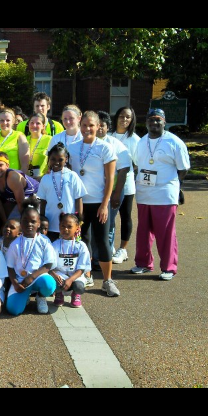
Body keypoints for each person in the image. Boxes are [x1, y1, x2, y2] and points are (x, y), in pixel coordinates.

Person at [131, 108, 190, 280]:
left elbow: (183, 169)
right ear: (146, 122)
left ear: (164, 122)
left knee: (165, 233)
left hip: (165, 194)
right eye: (151, 119)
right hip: (144, 193)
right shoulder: (141, 141)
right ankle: (143, 263)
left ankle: (168, 267)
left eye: (158, 120)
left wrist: (175, 186)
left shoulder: (174, 142)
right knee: (143, 232)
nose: (154, 123)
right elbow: (137, 164)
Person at [68, 111, 119, 297]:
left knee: (102, 240)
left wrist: (105, 204)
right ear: (79, 126)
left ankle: (107, 280)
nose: (87, 129)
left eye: (91, 125)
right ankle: (87, 275)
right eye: (84, 125)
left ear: (98, 126)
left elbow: (110, 178)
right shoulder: (72, 148)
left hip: (98, 202)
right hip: (79, 203)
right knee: (83, 240)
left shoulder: (105, 148)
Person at [5, 200, 58, 315]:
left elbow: (48, 264)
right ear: (21, 223)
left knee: (49, 284)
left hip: (38, 277)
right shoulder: (15, 244)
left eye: (33, 221)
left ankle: (41, 296)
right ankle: (25, 296)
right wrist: (15, 284)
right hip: (21, 281)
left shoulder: (44, 241)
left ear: (39, 223)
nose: (29, 224)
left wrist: (32, 277)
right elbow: (10, 267)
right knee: (13, 310)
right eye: (25, 221)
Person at [95, 111, 132, 268]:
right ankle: (95, 256)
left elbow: (124, 170)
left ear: (108, 127)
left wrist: (117, 193)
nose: (99, 128)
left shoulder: (115, 144)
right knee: (95, 224)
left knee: (108, 224)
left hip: (113, 191)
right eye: (97, 125)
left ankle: (106, 255)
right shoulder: (88, 142)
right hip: (95, 191)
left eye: (102, 125)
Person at [109, 106, 140, 264]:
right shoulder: (109, 135)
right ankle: (110, 246)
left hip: (126, 184)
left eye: (128, 117)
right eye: (122, 116)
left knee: (125, 215)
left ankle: (123, 249)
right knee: (110, 216)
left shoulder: (134, 139)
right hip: (109, 184)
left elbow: (138, 163)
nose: (124, 119)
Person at [38, 143, 86, 240]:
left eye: (60, 160)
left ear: (66, 159)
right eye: (53, 159)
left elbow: (78, 199)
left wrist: (79, 220)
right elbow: (43, 201)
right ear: (49, 159)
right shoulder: (45, 178)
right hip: (51, 224)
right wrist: (42, 218)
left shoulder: (72, 176)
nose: (56, 162)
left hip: (69, 225)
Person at [51, 213, 90, 308]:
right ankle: (59, 294)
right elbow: (49, 266)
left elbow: (81, 269)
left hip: (75, 276)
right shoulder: (54, 245)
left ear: (77, 228)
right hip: (60, 275)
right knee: (53, 282)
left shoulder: (81, 246)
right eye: (63, 226)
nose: (65, 229)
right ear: (59, 227)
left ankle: (76, 294)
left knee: (79, 286)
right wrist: (55, 275)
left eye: (69, 227)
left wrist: (70, 280)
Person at [0, 151, 38, 224]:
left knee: (16, 224)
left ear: (7, 166)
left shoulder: (13, 177)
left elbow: (21, 203)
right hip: (13, 200)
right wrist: (5, 222)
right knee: (7, 222)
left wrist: (22, 225)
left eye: (1, 165)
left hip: (33, 197)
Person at [0, 107, 30, 172]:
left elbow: (25, 165)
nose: (5, 123)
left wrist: (20, 177)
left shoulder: (19, 136)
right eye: (2, 120)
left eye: (8, 120)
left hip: (13, 176)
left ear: (13, 121)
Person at [26, 112, 52, 178]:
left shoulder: (49, 140)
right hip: (26, 178)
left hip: (43, 179)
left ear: (43, 126)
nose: (34, 125)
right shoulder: (24, 139)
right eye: (32, 123)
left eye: (38, 123)